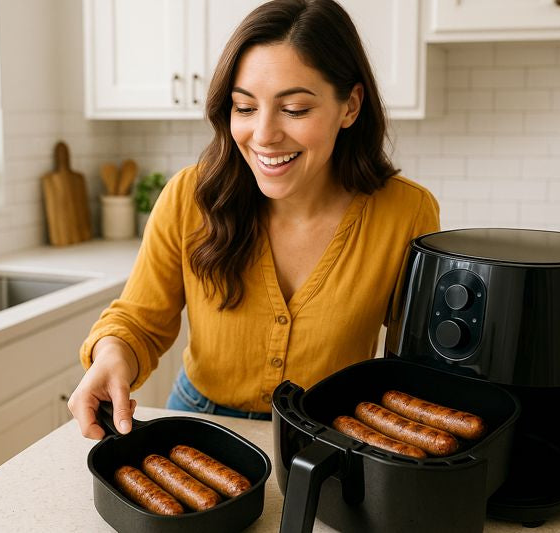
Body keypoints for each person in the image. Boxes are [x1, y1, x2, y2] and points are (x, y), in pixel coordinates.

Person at [68, 0, 440, 439]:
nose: (263, 135)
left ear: (350, 106)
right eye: (244, 108)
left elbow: (415, 363)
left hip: (330, 433)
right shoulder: (190, 196)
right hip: (201, 422)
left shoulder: (406, 212)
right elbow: (139, 320)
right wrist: (113, 353)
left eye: (295, 109)